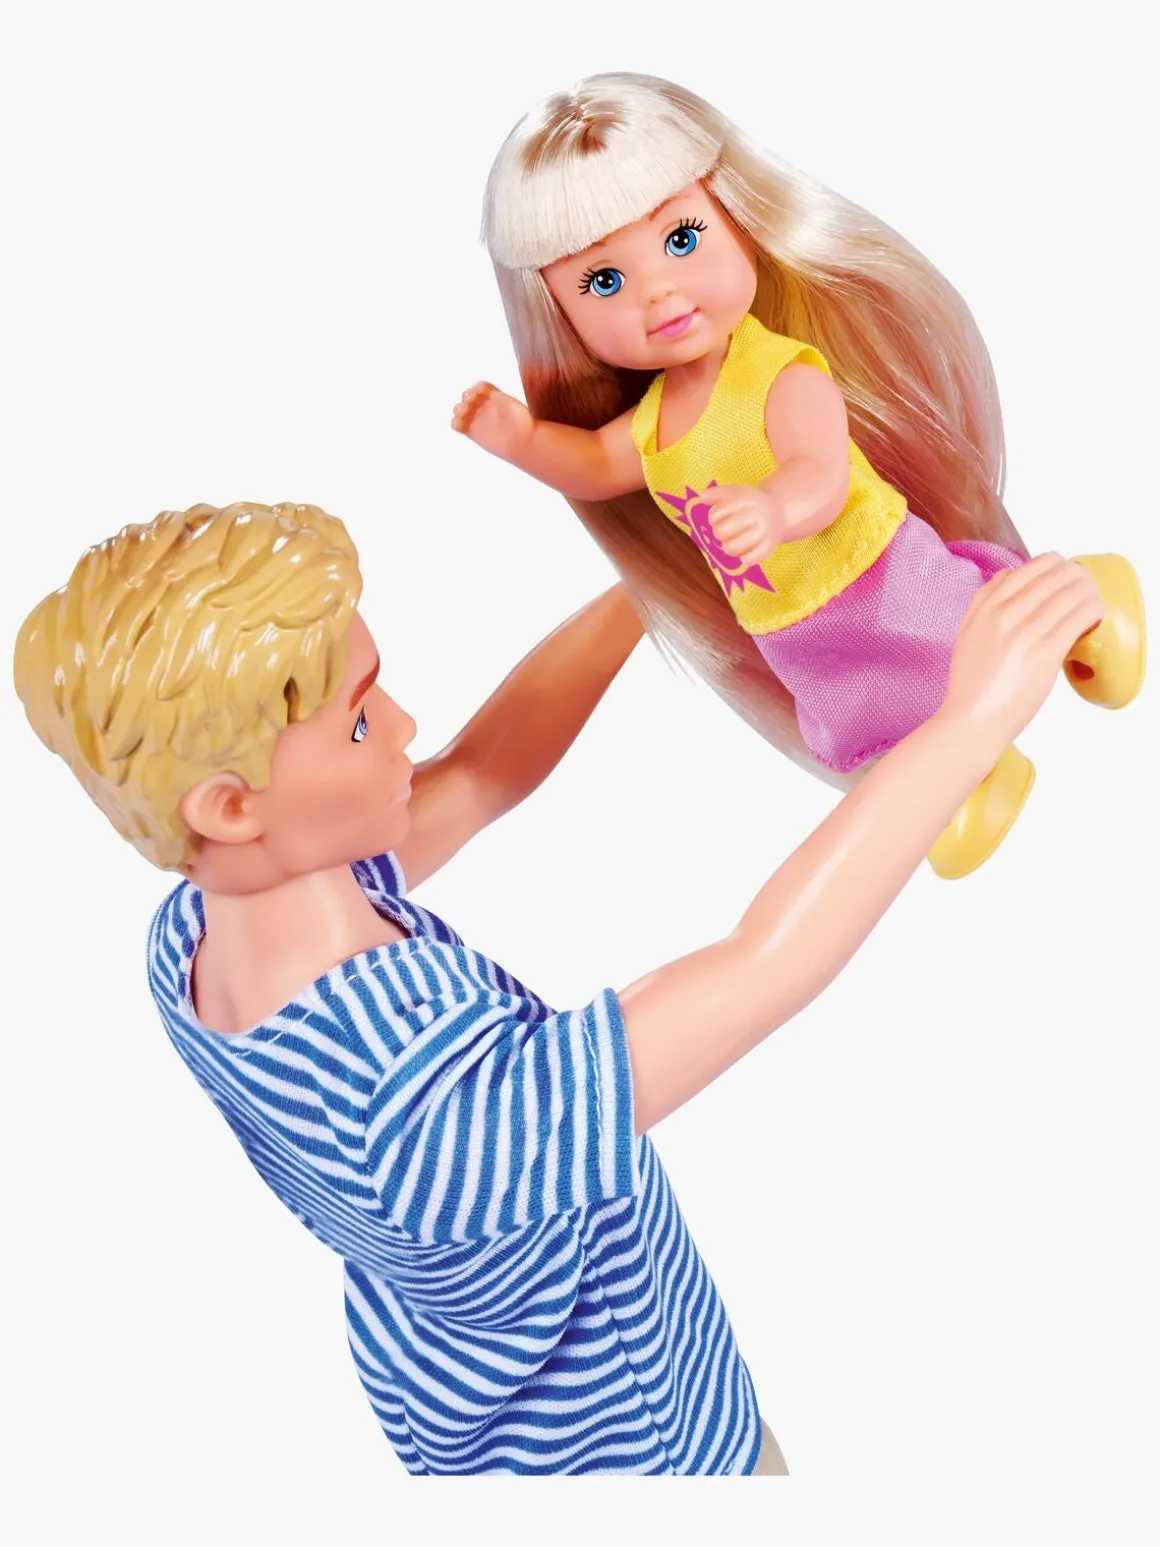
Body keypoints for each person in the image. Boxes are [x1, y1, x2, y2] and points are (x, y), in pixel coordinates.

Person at [12, 499, 1102, 1474]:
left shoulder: (201, 935)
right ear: (230, 806)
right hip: (633, 1445)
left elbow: (483, 770)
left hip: (446, 1390)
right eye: (359, 720)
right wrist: (966, 723)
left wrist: (650, 580)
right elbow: (763, 965)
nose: (402, 726)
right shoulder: (422, 1121)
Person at [455, 71, 1145, 880]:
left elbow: (821, 471)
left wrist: (774, 510)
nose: (659, 291)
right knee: (875, 703)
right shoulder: (649, 424)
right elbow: (597, 467)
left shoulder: (777, 371)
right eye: (604, 281)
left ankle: (1085, 601)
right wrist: (519, 439)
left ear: (739, 218)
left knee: (958, 635)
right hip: (793, 624)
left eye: (682, 239)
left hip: (872, 570)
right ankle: (968, 777)